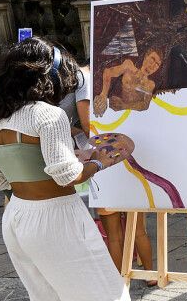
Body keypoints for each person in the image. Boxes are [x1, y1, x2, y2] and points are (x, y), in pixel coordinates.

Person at [0, 38, 160, 301]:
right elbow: (67, 176)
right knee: (102, 298)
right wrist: (101, 160)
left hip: (17, 217)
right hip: (55, 216)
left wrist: (73, 160)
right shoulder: (47, 115)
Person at [58, 61, 159, 287]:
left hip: (104, 160)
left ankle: (119, 282)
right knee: (138, 228)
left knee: (114, 233)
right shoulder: (134, 99)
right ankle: (151, 275)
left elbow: (86, 128)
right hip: (130, 158)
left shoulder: (92, 94)